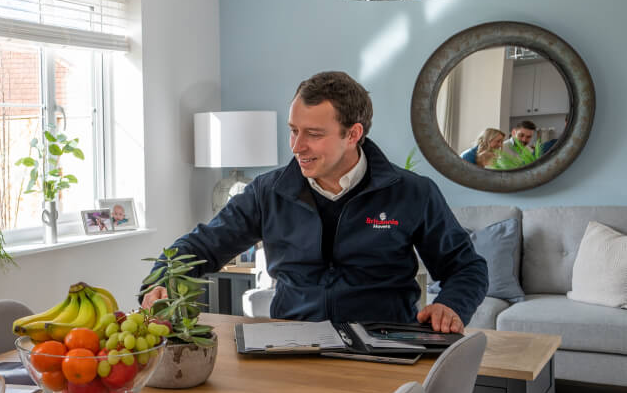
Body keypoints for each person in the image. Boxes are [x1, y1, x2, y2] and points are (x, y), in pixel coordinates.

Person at [143, 71, 488, 331]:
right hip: (291, 346)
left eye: (314, 134)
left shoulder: (413, 192)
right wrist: (160, 280)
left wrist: (450, 305)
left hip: (384, 346)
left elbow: (465, 267)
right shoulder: (268, 192)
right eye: (294, 130)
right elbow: (204, 244)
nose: (296, 146)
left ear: (353, 134)